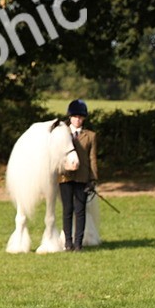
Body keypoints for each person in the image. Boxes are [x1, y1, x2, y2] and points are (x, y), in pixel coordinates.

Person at [59, 99, 98, 252]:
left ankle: (78, 243)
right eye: (75, 116)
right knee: (67, 209)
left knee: (80, 210)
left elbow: (92, 158)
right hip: (65, 176)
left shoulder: (90, 136)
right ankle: (68, 242)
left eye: (80, 117)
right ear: (70, 117)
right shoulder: (62, 134)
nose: (78, 120)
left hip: (82, 176)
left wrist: (93, 179)